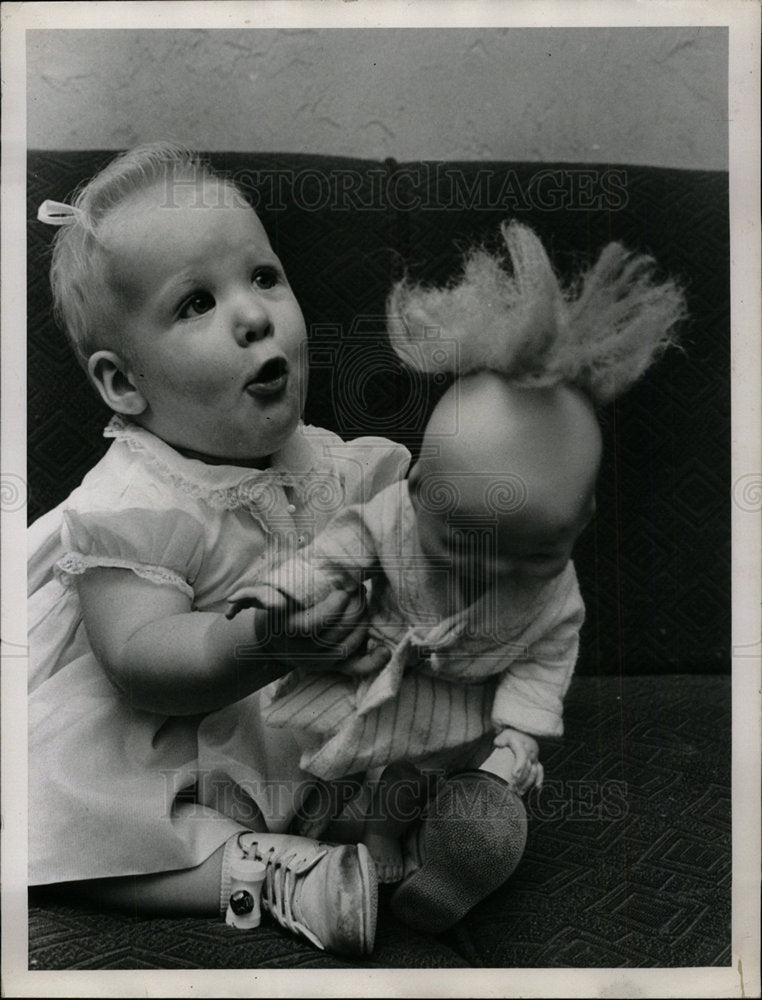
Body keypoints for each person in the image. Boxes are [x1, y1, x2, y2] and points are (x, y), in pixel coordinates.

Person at [227, 220, 687, 932]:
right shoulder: (394, 519)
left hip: (451, 712)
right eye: (461, 546)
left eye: (534, 553)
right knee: (313, 761)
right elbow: (341, 548)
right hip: (366, 674)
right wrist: (285, 594)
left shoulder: (557, 599)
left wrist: (517, 734)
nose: (495, 572)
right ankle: (286, 832)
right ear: (417, 491)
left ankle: (408, 853)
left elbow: (545, 658)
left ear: (582, 520)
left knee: (414, 786)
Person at [27, 142, 412, 955]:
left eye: (264, 276)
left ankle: (403, 823)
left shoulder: (326, 466)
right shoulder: (130, 504)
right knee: (60, 817)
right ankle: (252, 871)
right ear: (124, 384)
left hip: (275, 731)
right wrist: (257, 637)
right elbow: (139, 657)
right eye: (197, 303)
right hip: (150, 724)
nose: (252, 314)